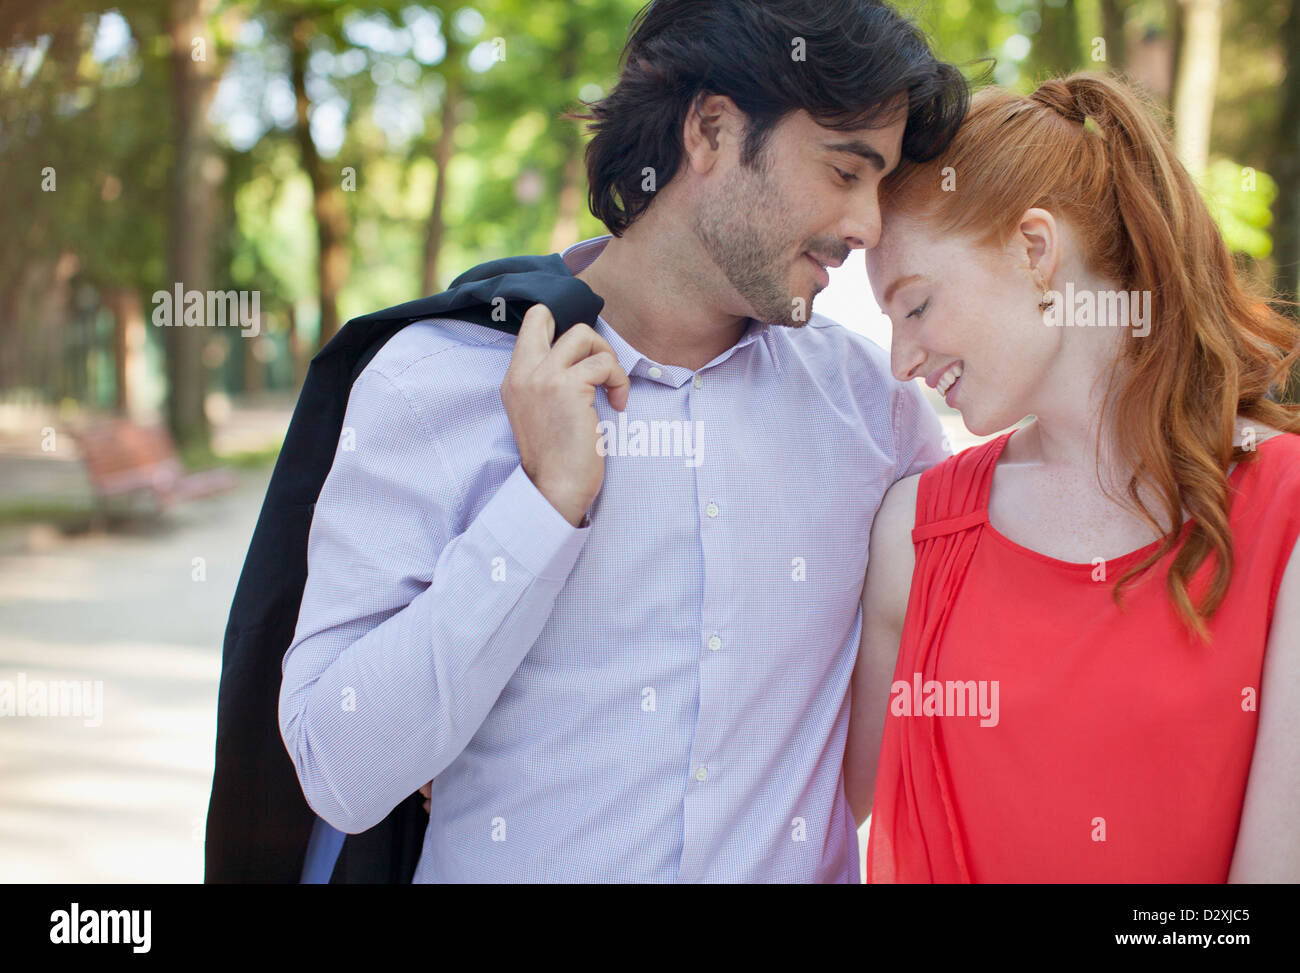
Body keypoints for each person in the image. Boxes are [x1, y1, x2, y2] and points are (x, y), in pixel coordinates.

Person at [279, 0, 967, 882]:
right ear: (711, 130)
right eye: (845, 171)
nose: (870, 223)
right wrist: (540, 511)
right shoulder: (434, 382)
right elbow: (338, 772)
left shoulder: (880, 415)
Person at [847, 72, 1300, 882]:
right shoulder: (915, 536)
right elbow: (806, 804)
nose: (900, 360)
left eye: (914, 307)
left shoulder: (1284, 508)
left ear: (1034, 250)